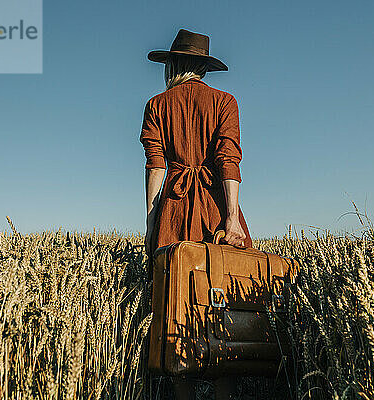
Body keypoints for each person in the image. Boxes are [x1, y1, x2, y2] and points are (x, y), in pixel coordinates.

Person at [140, 28, 252, 400]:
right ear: (203, 67)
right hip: (215, 208)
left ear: (173, 64)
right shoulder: (225, 101)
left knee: (176, 308)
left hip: (173, 208)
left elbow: (155, 166)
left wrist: (152, 221)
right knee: (225, 307)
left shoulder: (157, 105)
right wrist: (232, 217)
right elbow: (228, 158)